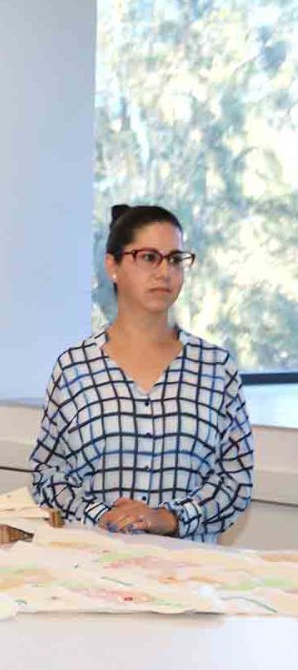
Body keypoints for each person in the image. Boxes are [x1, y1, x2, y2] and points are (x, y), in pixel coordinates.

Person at [30, 204, 253, 542]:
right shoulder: (75, 367)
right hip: (90, 562)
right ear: (112, 266)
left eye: (175, 259)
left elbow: (235, 481)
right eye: (149, 257)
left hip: (188, 568)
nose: (164, 272)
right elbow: (48, 475)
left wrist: (167, 518)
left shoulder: (216, 368)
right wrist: (102, 515)